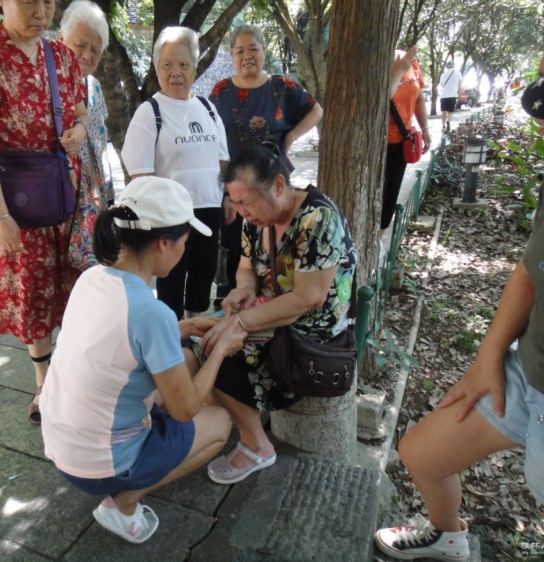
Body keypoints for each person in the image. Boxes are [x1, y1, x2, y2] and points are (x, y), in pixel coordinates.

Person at [374, 2, 544, 559]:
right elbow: (532, 267)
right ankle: (449, 537)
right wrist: (490, 353)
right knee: (421, 452)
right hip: (529, 371)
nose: (533, 99)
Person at [39, 176, 245, 544]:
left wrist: (182, 327)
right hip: (97, 464)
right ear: (164, 243)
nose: (185, 249)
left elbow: (120, 337)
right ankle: (124, 501)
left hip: (61, 445)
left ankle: (131, 467)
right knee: (218, 424)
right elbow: (185, 410)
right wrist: (223, 346)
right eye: (184, 242)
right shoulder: (151, 313)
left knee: (181, 361)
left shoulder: (91, 279)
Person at [0, 0, 88, 425]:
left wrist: (79, 131)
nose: (41, 10)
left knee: (75, 288)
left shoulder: (62, 56)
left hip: (65, 193)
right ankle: (44, 382)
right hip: (18, 200)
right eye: (29, 1)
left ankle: (74, 376)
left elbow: (81, 108)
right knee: (33, 294)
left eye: (48, 1)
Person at [196, 145, 356, 484]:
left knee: (216, 350)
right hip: (272, 311)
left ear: (279, 186)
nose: (241, 212)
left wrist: (238, 323)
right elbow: (245, 266)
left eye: (247, 202)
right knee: (203, 338)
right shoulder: (256, 220)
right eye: (235, 203)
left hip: (313, 327)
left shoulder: (317, 218)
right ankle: (246, 420)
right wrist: (246, 289)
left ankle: (257, 446)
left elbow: (309, 299)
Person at [208, 24, 323, 305]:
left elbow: (316, 110)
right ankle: (238, 297)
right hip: (235, 185)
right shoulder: (221, 91)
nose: (247, 56)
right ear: (232, 56)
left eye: (253, 49)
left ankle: (276, 296)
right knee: (237, 243)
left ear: (263, 51)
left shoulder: (281, 86)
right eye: (239, 51)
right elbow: (212, 138)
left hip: (272, 181)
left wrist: (292, 136)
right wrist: (225, 194)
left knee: (276, 236)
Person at [122, 26, 229, 320]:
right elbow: (140, 177)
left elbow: (223, 162)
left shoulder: (207, 108)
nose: (176, 72)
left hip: (209, 208)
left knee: (203, 275)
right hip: (171, 216)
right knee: (171, 280)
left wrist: (229, 198)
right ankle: (171, 340)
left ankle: (194, 336)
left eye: (184, 64)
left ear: (195, 68)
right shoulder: (150, 112)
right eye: (167, 64)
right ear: (157, 68)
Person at [60, 0, 112, 270]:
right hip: (57, 207)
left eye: (95, 49)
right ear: (61, 39)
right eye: (80, 45)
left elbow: (99, 151)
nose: (87, 55)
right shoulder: (46, 84)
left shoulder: (93, 87)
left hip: (89, 211)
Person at [382, 47, 431, 238]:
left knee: (389, 198)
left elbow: (418, 97)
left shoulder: (408, 59)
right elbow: (379, 99)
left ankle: (377, 243)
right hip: (377, 144)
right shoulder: (379, 63)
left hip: (400, 142)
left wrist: (425, 128)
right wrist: (399, 72)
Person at [438, 60, 463, 134]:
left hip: (444, 95)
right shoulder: (458, 73)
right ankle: (448, 121)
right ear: (453, 66)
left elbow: (442, 85)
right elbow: (460, 85)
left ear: (447, 67)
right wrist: (460, 94)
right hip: (452, 95)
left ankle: (443, 126)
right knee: (450, 111)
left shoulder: (443, 75)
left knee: (443, 111)